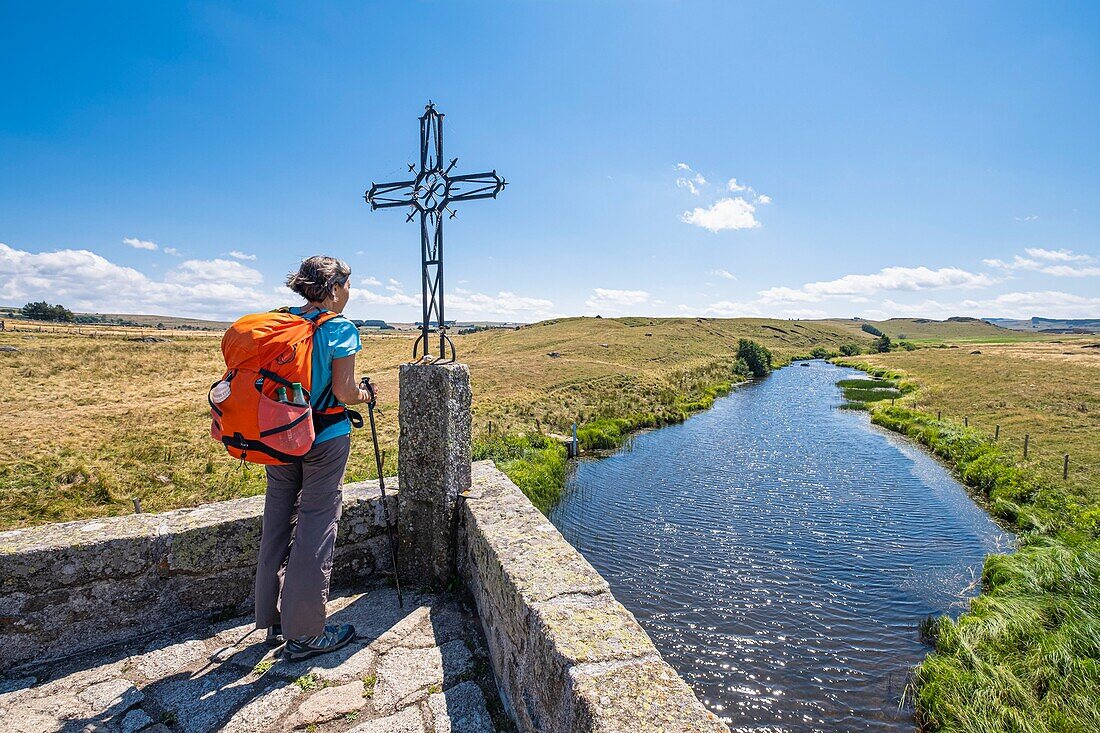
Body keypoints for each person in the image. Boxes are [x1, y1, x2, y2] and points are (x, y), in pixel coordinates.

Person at [253, 255, 376, 661]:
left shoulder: (281, 322)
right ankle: (305, 633)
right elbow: (343, 392)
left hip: (278, 437)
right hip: (323, 439)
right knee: (316, 526)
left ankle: (270, 619)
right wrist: (365, 395)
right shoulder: (339, 328)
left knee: (278, 520)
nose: (349, 293)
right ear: (335, 287)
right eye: (348, 285)